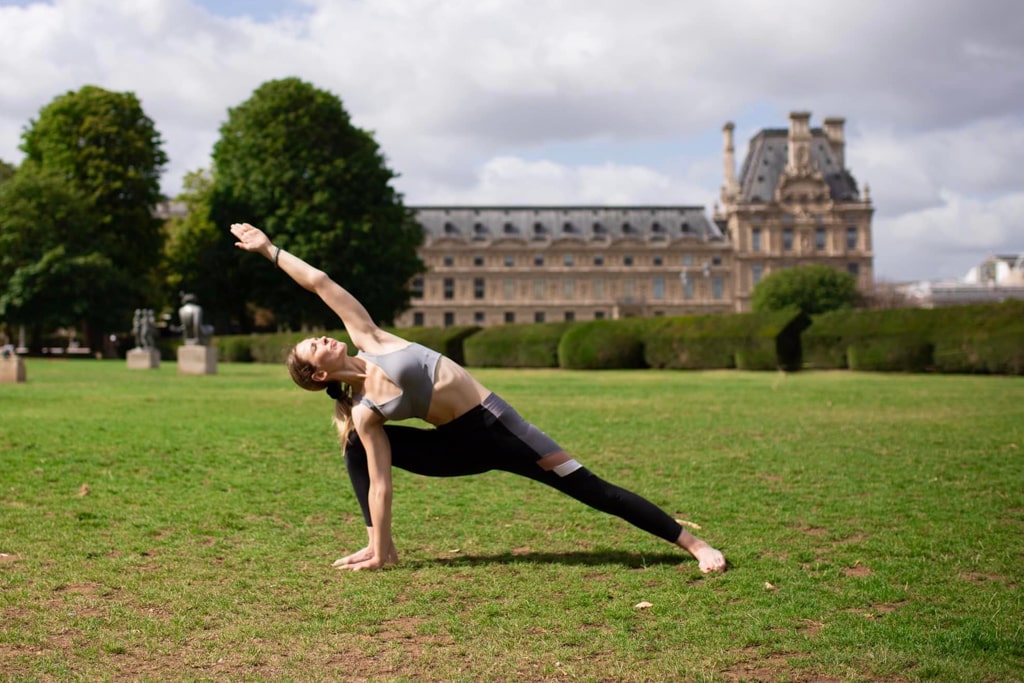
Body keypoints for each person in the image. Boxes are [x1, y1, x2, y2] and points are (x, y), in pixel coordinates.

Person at [231, 222, 727, 573]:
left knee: (591, 489)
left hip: (499, 428)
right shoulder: (365, 413)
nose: (321, 339)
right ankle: (380, 550)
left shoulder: (370, 337)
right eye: (312, 347)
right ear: (318, 376)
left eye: (316, 337)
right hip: (456, 448)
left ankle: (693, 543)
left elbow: (319, 283)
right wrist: (380, 541)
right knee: (355, 446)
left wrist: (270, 250)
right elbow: (380, 487)